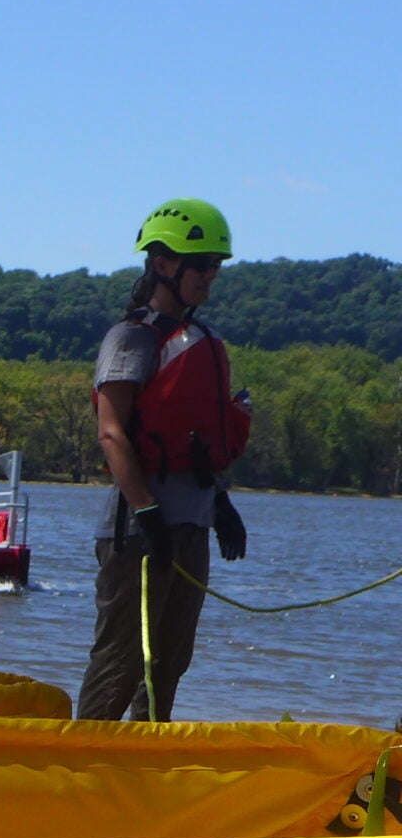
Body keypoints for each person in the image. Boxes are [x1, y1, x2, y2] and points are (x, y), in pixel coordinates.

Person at [76, 197, 253, 721]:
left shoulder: (199, 340)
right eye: (199, 264)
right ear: (161, 264)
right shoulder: (133, 337)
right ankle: (80, 774)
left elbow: (198, 440)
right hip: (140, 533)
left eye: (215, 266)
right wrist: (147, 511)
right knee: (121, 664)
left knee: (168, 666)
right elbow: (112, 433)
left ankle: (142, 778)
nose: (209, 276)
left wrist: (220, 506)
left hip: (191, 525)